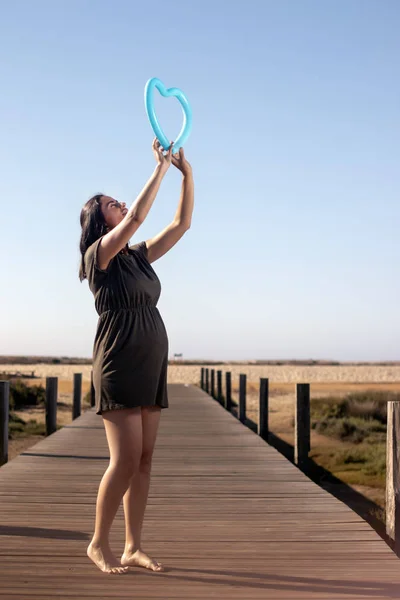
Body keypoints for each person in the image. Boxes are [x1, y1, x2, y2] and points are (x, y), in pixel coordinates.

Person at [78, 139, 194, 574]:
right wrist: (161, 168)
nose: (121, 204)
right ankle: (97, 543)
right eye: (112, 204)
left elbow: (182, 224)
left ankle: (132, 546)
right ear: (98, 220)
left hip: (150, 363)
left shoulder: (139, 257)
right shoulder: (99, 256)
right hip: (118, 362)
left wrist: (187, 174)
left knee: (144, 459)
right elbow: (138, 216)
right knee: (124, 459)